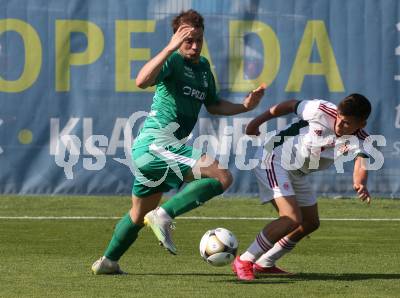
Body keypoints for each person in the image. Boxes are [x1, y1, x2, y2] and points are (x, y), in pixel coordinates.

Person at [92, 9, 265, 274]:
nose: (195, 46)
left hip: (157, 153)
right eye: (188, 41)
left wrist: (244, 106)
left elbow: (215, 105)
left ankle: (108, 261)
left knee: (137, 216)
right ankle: (164, 214)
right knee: (222, 176)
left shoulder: (204, 68)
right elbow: (141, 81)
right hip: (155, 144)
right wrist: (170, 47)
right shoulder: (172, 60)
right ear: (176, 38)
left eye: (199, 40)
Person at [232, 94, 372, 280]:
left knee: (310, 222)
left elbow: (361, 161)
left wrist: (359, 182)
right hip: (273, 158)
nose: (339, 125)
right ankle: (245, 260)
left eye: (347, 123)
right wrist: (255, 123)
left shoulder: (362, 139)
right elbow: (289, 105)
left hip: (296, 172)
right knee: (291, 218)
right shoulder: (320, 110)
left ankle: (265, 263)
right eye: (339, 117)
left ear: (361, 124)